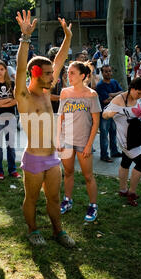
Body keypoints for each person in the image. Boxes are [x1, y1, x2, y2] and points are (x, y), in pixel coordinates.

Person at [15, 10, 75, 248]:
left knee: (54, 197)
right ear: (36, 74)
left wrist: (67, 38)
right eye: (48, 74)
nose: (54, 77)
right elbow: (20, 70)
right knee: (32, 198)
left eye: (52, 73)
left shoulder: (47, 92)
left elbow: (59, 60)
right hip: (33, 160)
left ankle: (58, 231)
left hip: (52, 159)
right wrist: (25, 38)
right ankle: (33, 230)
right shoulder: (24, 97)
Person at [56, 62, 101, 222]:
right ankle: (67, 200)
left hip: (83, 142)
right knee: (67, 173)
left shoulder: (91, 95)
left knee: (88, 176)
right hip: (66, 141)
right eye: (68, 72)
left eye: (73, 73)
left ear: (83, 76)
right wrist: (57, 139)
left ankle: (93, 205)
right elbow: (60, 117)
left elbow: (96, 122)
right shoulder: (64, 93)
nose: (69, 75)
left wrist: (89, 145)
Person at [103, 78, 141, 206]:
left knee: (126, 162)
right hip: (126, 140)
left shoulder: (136, 98)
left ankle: (123, 190)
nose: (140, 96)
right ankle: (131, 193)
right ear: (132, 89)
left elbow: (137, 115)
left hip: (134, 137)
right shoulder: (119, 100)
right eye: (139, 93)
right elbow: (104, 114)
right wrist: (111, 113)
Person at [0, 60, 20, 180]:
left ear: (5, 70)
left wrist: (1, 103)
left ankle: (12, 169)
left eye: (2, 69)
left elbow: (16, 100)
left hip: (10, 117)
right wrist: (8, 100)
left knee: (10, 145)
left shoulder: (11, 84)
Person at [96, 65, 123, 162]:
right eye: (106, 71)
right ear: (102, 73)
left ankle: (114, 152)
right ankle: (104, 155)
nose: (108, 73)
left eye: (109, 71)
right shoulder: (100, 86)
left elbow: (122, 93)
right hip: (104, 114)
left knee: (113, 132)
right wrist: (115, 96)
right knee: (104, 134)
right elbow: (105, 101)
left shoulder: (114, 82)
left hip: (114, 112)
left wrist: (112, 95)